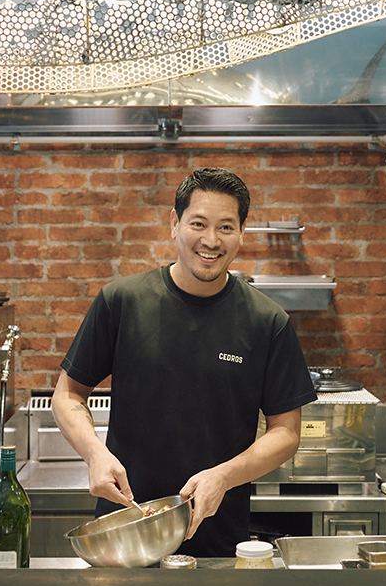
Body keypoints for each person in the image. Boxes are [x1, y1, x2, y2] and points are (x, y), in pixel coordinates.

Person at [52, 167, 317, 557]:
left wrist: (224, 476)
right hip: (125, 531)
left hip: (217, 539)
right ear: (175, 224)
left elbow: (287, 432)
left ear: (242, 232)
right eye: (198, 223)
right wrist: (95, 453)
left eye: (226, 227)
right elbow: (68, 394)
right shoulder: (122, 302)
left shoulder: (267, 321)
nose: (211, 240)